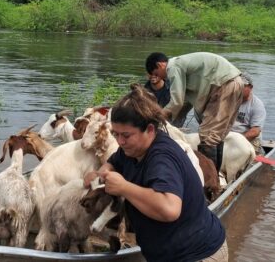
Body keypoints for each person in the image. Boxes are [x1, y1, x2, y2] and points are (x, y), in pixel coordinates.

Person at [84, 85, 227, 262]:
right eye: (116, 134)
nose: (120, 141)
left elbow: (170, 209)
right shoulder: (131, 149)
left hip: (197, 254)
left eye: (126, 135)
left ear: (150, 130)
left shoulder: (161, 159)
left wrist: (124, 187)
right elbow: (113, 162)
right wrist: (100, 174)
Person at [145, 52, 246, 172]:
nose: (160, 78)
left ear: (160, 65)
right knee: (217, 136)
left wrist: (158, 117)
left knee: (208, 136)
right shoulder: (182, 67)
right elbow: (184, 103)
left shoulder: (173, 67)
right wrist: (171, 125)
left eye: (157, 74)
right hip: (235, 82)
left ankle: (208, 177)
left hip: (225, 84)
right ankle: (216, 175)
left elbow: (176, 101)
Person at [231, 72, 267, 154]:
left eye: (242, 86)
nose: (238, 88)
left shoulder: (257, 105)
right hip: (229, 136)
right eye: (237, 85)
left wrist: (236, 141)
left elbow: (255, 132)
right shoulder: (227, 100)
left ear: (250, 87)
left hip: (249, 139)